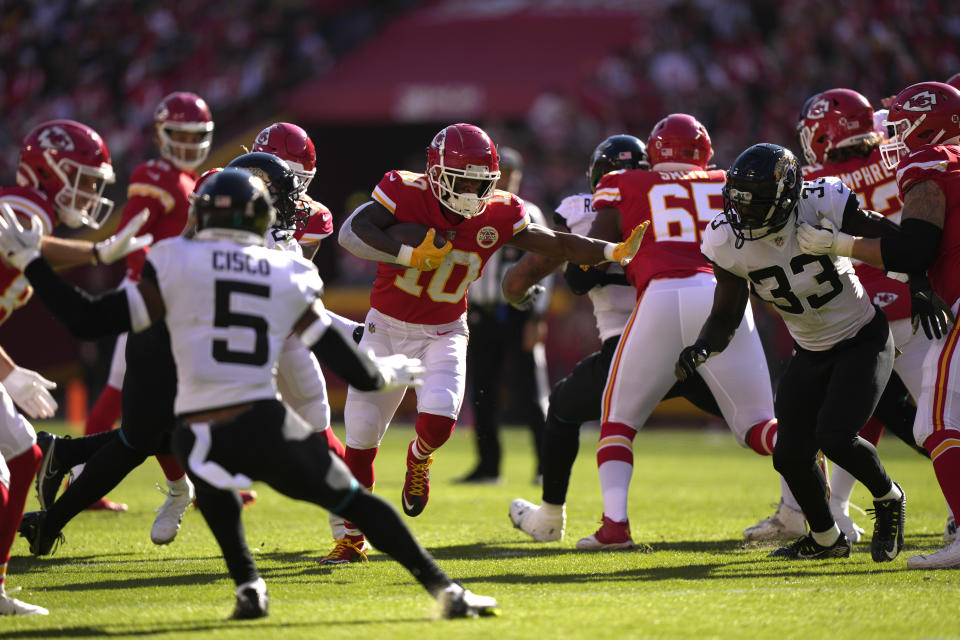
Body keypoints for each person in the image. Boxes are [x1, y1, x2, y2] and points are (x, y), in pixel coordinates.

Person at [7, 168, 501, 620]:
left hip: (195, 427)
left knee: (207, 471)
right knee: (356, 502)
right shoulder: (285, 269)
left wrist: (31, 260)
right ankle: (446, 591)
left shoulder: (172, 260)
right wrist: (382, 372)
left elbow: (86, 318)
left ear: (201, 213)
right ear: (262, 218)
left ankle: (248, 585)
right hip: (262, 420)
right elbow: (345, 360)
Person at [332, 122, 647, 563]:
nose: (469, 190)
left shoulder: (499, 211)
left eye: (480, 182)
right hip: (386, 328)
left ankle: (419, 458)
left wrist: (611, 251)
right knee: (361, 440)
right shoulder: (405, 191)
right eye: (461, 179)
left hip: (445, 331)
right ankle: (350, 539)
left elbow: (556, 243)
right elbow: (350, 233)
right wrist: (407, 255)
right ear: (437, 172)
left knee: (440, 419)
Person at [20, 152, 351, 556]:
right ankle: (57, 487)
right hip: (172, 346)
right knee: (161, 439)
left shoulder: (237, 241)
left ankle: (60, 472)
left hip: (179, 340)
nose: (292, 206)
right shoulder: (260, 253)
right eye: (278, 196)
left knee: (148, 439)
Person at [680, 142, 908, 561]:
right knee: (788, 454)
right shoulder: (725, 239)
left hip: (861, 338)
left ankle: (889, 497)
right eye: (740, 204)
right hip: (810, 350)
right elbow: (728, 312)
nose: (744, 216)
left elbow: (896, 242)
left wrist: (842, 242)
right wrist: (701, 347)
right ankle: (826, 539)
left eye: (757, 205)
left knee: (836, 437)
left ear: (786, 197)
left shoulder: (821, 202)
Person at [575, 115, 781, 551]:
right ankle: (815, 508)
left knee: (618, 421)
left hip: (662, 294)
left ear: (655, 151)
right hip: (722, 292)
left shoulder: (624, 181)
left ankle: (615, 526)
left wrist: (581, 262)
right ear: (703, 152)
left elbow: (596, 247)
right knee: (762, 426)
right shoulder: (727, 180)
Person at [508, 134, 725, 542]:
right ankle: (806, 507)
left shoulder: (580, 209)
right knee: (761, 423)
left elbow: (548, 277)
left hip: (629, 350)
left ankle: (552, 517)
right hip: (700, 342)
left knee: (564, 408)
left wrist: (517, 293)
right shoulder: (687, 200)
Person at [799, 81, 960, 567]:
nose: (893, 133)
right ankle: (831, 508)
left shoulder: (920, 163)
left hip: (866, 301)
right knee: (865, 414)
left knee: (934, 422)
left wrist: (835, 244)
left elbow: (913, 243)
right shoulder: (919, 159)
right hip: (922, 298)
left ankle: (820, 511)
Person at [0, 118, 150, 615]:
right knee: (15, 468)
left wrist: (8, 371)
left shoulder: (33, 217)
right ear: (47, 172)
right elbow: (21, 238)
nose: (90, 194)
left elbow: (29, 248)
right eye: (83, 180)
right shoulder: (25, 208)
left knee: (23, 460)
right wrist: (96, 251)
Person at [74, 91, 215, 518]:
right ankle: (79, 476)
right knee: (127, 396)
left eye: (196, 136)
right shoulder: (157, 176)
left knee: (159, 398)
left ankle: (200, 483)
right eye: (179, 134)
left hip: (169, 303)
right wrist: (149, 287)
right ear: (160, 133)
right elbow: (130, 238)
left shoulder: (189, 180)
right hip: (150, 303)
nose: (188, 144)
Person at [460, 146, 550, 484]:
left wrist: (536, 317)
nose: (508, 180)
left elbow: (546, 267)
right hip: (480, 313)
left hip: (517, 313)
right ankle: (488, 466)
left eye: (514, 174)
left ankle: (544, 465)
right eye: (504, 173)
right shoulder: (471, 210)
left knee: (529, 391)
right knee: (482, 391)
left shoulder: (529, 213)